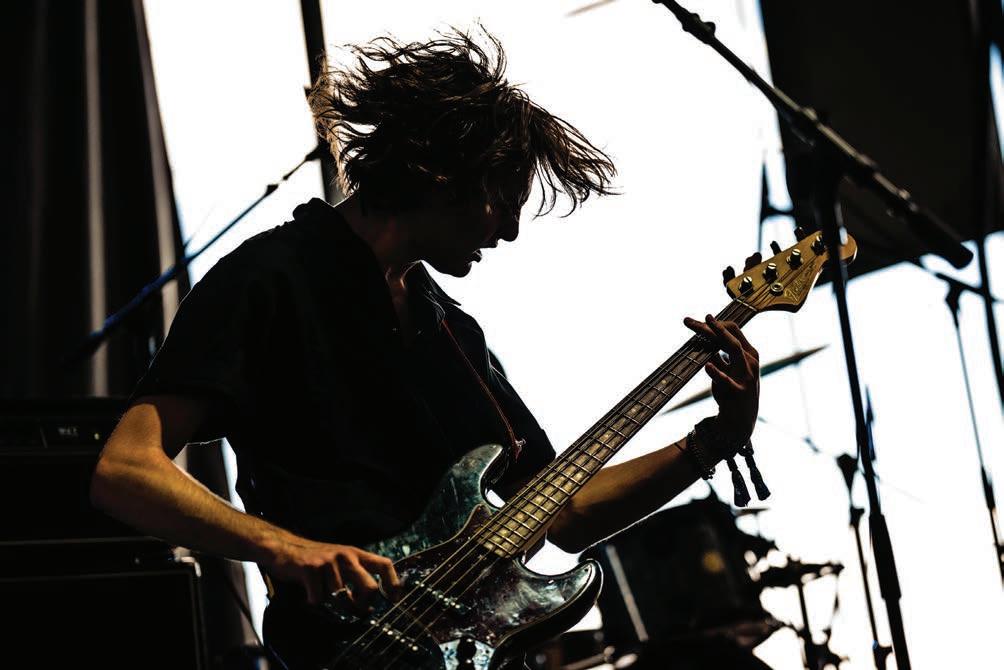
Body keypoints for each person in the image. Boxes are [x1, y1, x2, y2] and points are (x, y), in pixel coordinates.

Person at [90, 27, 760, 663]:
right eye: (501, 200)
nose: (509, 232)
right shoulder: (268, 278)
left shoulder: (451, 331)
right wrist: (284, 548)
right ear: (438, 172)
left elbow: (566, 513)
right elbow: (125, 469)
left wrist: (711, 442)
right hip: (348, 649)